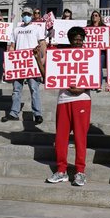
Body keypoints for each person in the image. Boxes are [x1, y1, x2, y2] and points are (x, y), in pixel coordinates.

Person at [34, 26, 92, 186]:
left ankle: (80, 172)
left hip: (82, 99)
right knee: (60, 138)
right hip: (64, 100)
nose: (78, 42)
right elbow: (47, 78)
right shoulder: (61, 56)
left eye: (80, 39)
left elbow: (95, 79)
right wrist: (38, 59)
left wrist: (82, 88)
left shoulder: (90, 56)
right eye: (75, 39)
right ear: (70, 40)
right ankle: (61, 171)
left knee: (80, 137)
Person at [2, 7, 46, 124]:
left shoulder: (37, 28)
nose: (26, 16)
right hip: (18, 63)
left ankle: (37, 114)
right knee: (16, 89)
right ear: (22, 16)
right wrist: (8, 62)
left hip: (32, 62)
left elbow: (42, 43)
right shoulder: (16, 30)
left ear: (32, 16)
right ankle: (14, 113)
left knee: (34, 89)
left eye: (28, 14)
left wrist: (43, 57)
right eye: (25, 14)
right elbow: (12, 46)